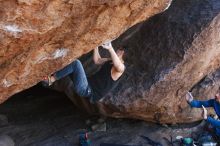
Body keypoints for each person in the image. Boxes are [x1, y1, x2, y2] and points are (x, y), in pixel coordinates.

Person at [43, 41, 125, 103]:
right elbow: (97, 60)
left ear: (122, 53)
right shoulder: (109, 61)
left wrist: (110, 48)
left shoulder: (121, 69)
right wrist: (96, 46)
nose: (117, 49)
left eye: (120, 50)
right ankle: (47, 68)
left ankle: (51, 80)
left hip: (87, 90)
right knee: (69, 60)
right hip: (86, 84)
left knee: (76, 63)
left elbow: (119, 66)